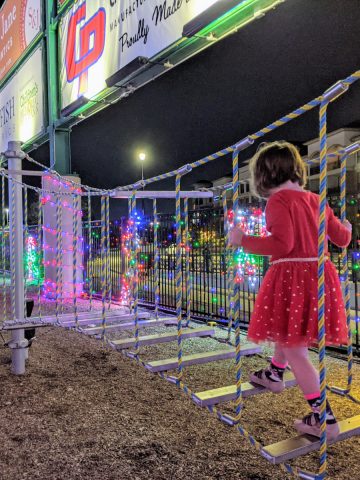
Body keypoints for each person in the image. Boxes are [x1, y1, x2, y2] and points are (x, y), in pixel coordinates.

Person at [230, 141, 352, 440]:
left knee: (296, 347)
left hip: (291, 276)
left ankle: (324, 417)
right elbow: (342, 238)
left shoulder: (278, 201)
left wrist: (243, 239)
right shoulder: (316, 200)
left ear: (263, 175)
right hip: (320, 276)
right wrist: (347, 228)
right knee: (289, 331)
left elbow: (281, 244)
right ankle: (273, 373)